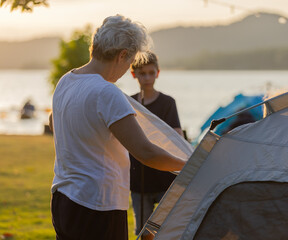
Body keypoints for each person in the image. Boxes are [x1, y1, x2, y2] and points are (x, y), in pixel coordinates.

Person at [50, 15, 186, 240]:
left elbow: (53, 121)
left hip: (63, 199)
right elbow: (146, 153)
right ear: (123, 55)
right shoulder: (107, 92)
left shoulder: (66, 81)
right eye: (129, 61)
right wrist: (190, 167)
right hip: (98, 206)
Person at [129, 52, 183, 239]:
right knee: (143, 232)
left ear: (158, 73)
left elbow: (177, 136)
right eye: (142, 73)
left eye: (151, 73)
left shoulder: (168, 102)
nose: (147, 78)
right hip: (138, 179)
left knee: (168, 229)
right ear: (133, 74)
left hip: (165, 178)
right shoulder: (129, 103)